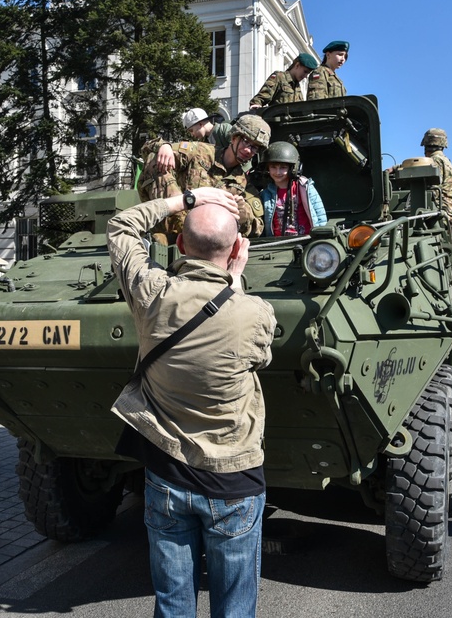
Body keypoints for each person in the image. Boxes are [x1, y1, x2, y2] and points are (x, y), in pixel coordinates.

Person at [107, 187, 276, 617]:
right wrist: (234, 281)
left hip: (166, 477)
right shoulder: (256, 313)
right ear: (238, 249)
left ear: (180, 245)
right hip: (233, 482)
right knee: (234, 609)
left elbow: (121, 225)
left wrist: (187, 198)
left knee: (172, 605)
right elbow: (257, 351)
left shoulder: (151, 295)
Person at [138, 114, 271, 244]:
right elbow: (147, 149)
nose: (248, 150)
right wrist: (164, 146)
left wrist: (243, 214)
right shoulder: (199, 152)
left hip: (206, 241)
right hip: (170, 222)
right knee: (156, 161)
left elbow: (257, 227)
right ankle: (177, 235)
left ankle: (185, 238)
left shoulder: (243, 185)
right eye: (246, 141)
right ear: (234, 138)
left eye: (255, 147)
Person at [259, 141, 326, 237]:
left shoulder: (305, 188)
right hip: (277, 244)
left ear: (292, 169)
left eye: (283, 167)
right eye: (273, 167)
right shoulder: (265, 194)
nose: (278, 172)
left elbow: (320, 215)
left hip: (306, 239)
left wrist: (321, 237)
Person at [249, 53, 319, 110]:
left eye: (308, 73)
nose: (305, 76)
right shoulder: (279, 77)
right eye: (305, 72)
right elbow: (261, 98)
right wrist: (256, 105)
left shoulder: (297, 87)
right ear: (297, 65)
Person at [421, 128, 452, 216]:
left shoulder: (435, 161)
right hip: (446, 209)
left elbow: (434, 191)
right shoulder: (444, 160)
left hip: (440, 210)